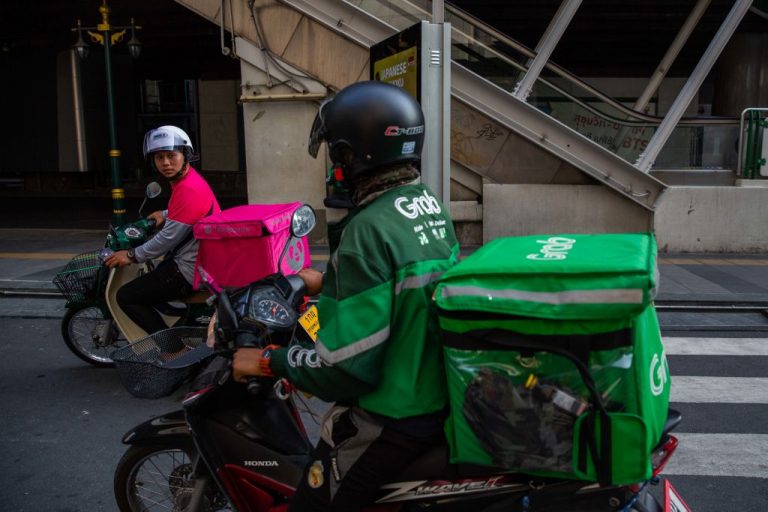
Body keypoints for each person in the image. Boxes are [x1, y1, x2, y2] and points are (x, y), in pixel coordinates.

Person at [232, 81, 460, 511]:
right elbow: (406, 286)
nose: (333, 168)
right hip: (436, 391)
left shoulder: (366, 230)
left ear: (353, 156)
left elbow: (344, 369)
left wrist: (267, 361)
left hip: (395, 413)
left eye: (336, 156)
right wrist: (331, 282)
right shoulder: (425, 203)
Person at [105, 125, 221, 335]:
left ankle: (172, 348)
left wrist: (131, 255)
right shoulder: (189, 179)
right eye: (159, 157)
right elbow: (190, 210)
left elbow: (167, 239)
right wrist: (165, 214)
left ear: (185, 155)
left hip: (189, 268)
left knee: (126, 296)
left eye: (171, 155)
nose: (166, 163)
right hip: (199, 259)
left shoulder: (188, 189)